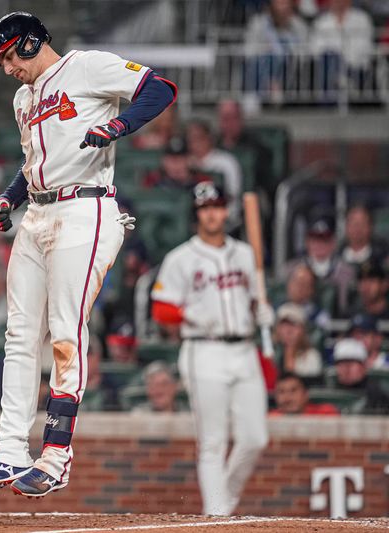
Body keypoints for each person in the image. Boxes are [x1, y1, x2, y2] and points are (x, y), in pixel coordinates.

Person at [0, 11, 175, 498]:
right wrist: (10, 197)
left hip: (86, 209)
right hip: (39, 215)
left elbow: (160, 88)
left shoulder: (85, 67)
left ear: (27, 44)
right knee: (20, 334)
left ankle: (57, 455)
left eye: (6, 57)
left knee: (65, 329)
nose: (6, 69)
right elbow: (35, 165)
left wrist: (120, 125)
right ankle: (9, 451)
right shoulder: (24, 98)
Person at [150, 182, 272, 516]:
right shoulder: (181, 258)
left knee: (255, 438)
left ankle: (225, 501)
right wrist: (189, 313)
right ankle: (217, 515)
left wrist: (262, 310)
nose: (212, 213)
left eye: (217, 206)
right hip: (203, 350)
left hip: (244, 349)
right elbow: (160, 308)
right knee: (213, 442)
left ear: (227, 210)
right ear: (196, 214)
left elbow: (253, 297)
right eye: (205, 207)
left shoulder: (245, 254)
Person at [282, 215, 354, 315]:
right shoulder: (291, 269)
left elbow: (345, 307)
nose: (319, 245)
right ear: (307, 242)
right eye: (315, 240)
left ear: (333, 243)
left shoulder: (346, 272)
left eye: (324, 240)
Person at [186, 120, 244, 229]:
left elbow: (233, 195)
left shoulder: (226, 162)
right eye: (191, 139)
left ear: (209, 138)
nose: (195, 143)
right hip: (193, 219)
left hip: (226, 217)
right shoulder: (185, 163)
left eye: (199, 138)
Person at [215, 100, 274, 191]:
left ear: (241, 119)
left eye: (234, 118)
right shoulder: (213, 147)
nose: (230, 124)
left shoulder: (256, 149)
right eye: (226, 118)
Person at [310, 0, 374, 72]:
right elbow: (315, 48)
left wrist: (343, 60)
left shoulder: (362, 19)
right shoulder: (321, 22)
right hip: (329, 68)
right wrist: (335, 57)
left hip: (356, 68)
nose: (338, 1)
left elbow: (364, 45)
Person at [331, 338, 389, 414]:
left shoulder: (377, 393)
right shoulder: (330, 389)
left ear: (364, 366)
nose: (346, 369)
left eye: (351, 364)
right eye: (341, 364)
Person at [273, 303, 323, 380]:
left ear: (303, 330)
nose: (288, 331)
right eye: (284, 325)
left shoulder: (311, 356)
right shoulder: (270, 355)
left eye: (293, 325)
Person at [142, 136, 211, 191]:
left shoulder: (202, 181)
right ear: (164, 161)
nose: (176, 165)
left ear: (189, 160)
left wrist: (186, 182)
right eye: (172, 160)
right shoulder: (152, 180)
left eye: (180, 159)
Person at [283, 263, 330, 329]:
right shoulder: (276, 309)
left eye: (304, 284)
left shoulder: (319, 317)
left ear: (311, 290)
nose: (299, 288)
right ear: (288, 285)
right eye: (296, 282)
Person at [269, 372, 338, 416]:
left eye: (293, 390)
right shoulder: (270, 419)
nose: (287, 397)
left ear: (305, 395)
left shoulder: (325, 414)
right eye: (281, 392)